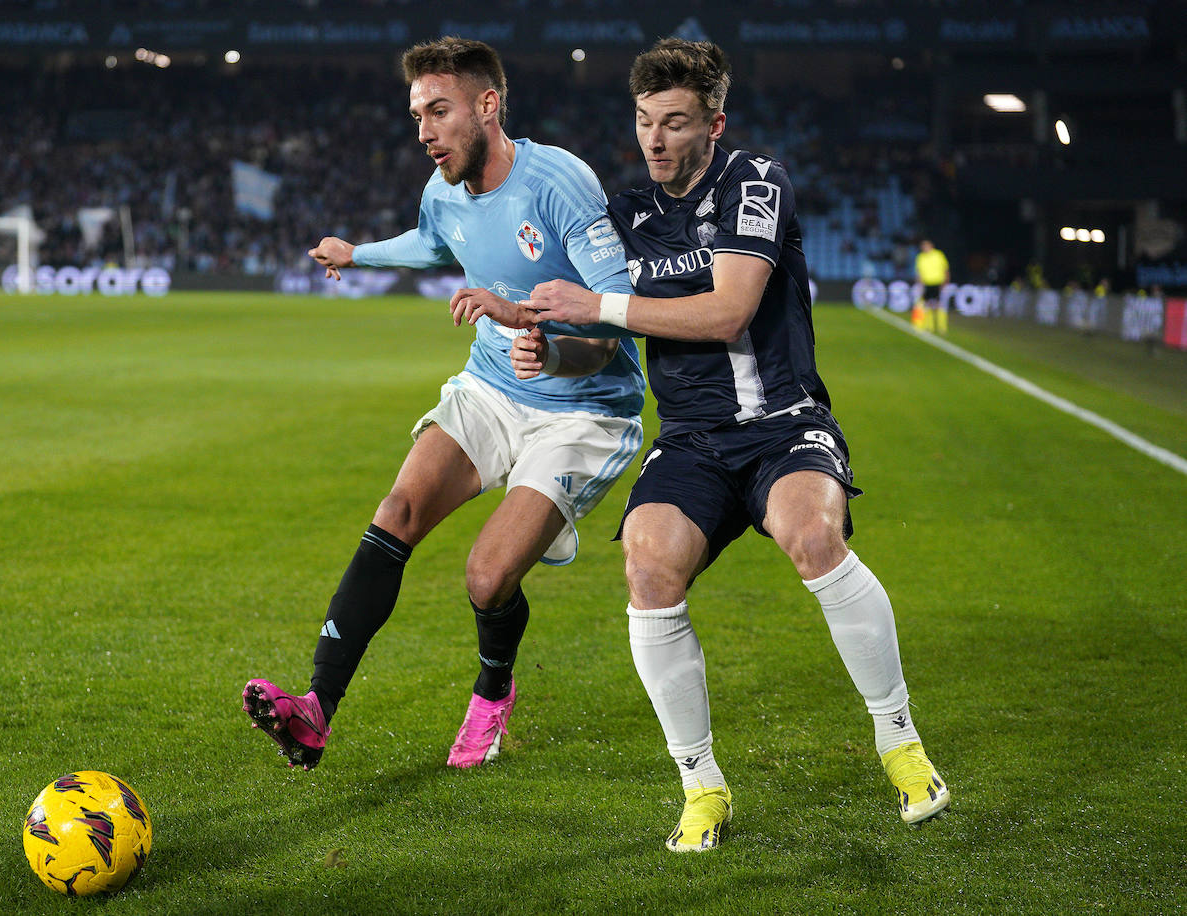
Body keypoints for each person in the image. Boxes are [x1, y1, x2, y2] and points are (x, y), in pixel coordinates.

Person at [509, 39, 949, 851]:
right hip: (692, 439)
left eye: (675, 123)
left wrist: (597, 309)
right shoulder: (626, 217)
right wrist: (552, 347)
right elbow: (600, 350)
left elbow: (727, 313)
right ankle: (700, 782)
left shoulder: (755, 182)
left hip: (784, 422)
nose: (655, 140)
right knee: (646, 564)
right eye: (645, 122)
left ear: (715, 122)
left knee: (814, 533)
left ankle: (900, 742)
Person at [242, 37, 645, 772]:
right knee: (396, 511)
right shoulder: (443, 189)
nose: (424, 130)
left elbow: (618, 320)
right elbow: (435, 244)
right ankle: (315, 710)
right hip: (492, 387)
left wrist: (540, 336)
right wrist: (355, 253)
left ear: (488, 106)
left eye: (439, 110)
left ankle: (494, 689)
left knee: (487, 579)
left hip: (584, 408)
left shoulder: (560, 184)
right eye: (416, 114)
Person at [913, 238, 950, 333]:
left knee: (939, 305)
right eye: (923, 246)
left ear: (931, 246)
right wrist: (920, 284)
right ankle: (929, 326)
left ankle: (942, 327)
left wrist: (945, 282)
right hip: (927, 283)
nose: (924, 247)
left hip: (938, 283)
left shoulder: (938, 255)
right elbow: (919, 272)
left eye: (926, 245)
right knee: (927, 305)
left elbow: (945, 269)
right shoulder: (920, 257)